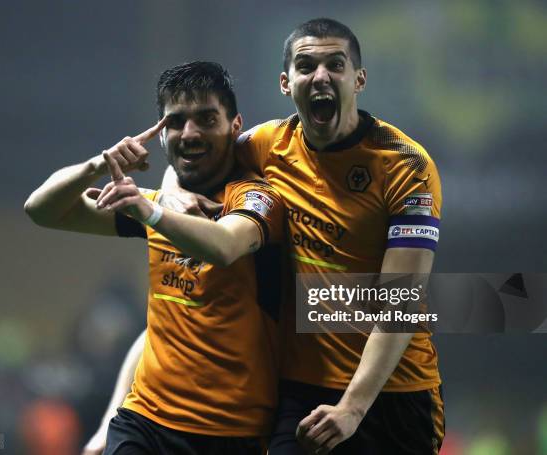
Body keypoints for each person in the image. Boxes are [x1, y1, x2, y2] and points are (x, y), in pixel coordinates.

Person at [162, 18, 444, 454]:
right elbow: (195, 153)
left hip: (394, 392)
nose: (321, 77)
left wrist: (353, 408)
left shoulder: (405, 163)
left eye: (336, 65)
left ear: (359, 79)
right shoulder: (266, 144)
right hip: (302, 389)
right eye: (306, 66)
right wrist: (172, 190)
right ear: (285, 82)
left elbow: (402, 302)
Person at [25, 61, 285, 454]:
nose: (190, 133)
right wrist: (100, 164)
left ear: (235, 126)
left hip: (232, 430)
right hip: (145, 422)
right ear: (161, 135)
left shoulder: (259, 198)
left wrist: (152, 212)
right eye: (175, 122)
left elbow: (224, 246)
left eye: (206, 118)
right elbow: (41, 209)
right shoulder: (154, 206)